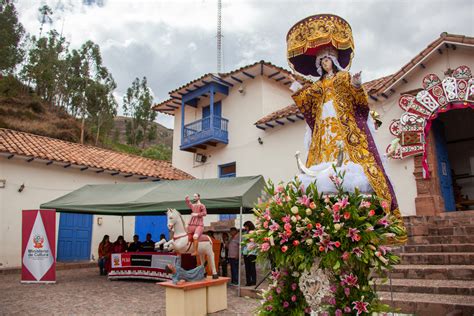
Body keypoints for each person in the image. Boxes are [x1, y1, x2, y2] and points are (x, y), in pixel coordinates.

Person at [290, 48, 399, 214]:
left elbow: (359, 101)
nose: (324, 64)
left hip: (343, 122)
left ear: (333, 61)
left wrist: (356, 84)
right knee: (323, 151)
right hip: (323, 124)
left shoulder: (343, 77)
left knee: (347, 151)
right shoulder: (317, 85)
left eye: (326, 60)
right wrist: (297, 89)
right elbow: (306, 102)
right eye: (321, 62)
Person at [242, 221, 257, 286]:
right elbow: (243, 241)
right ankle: (248, 281)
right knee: (247, 268)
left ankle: (253, 281)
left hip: (252, 252)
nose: (245, 228)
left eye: (246, 226)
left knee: (252, 267)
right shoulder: (245, 233)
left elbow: (256, 241)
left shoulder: (254, 232)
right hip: (245, 252)